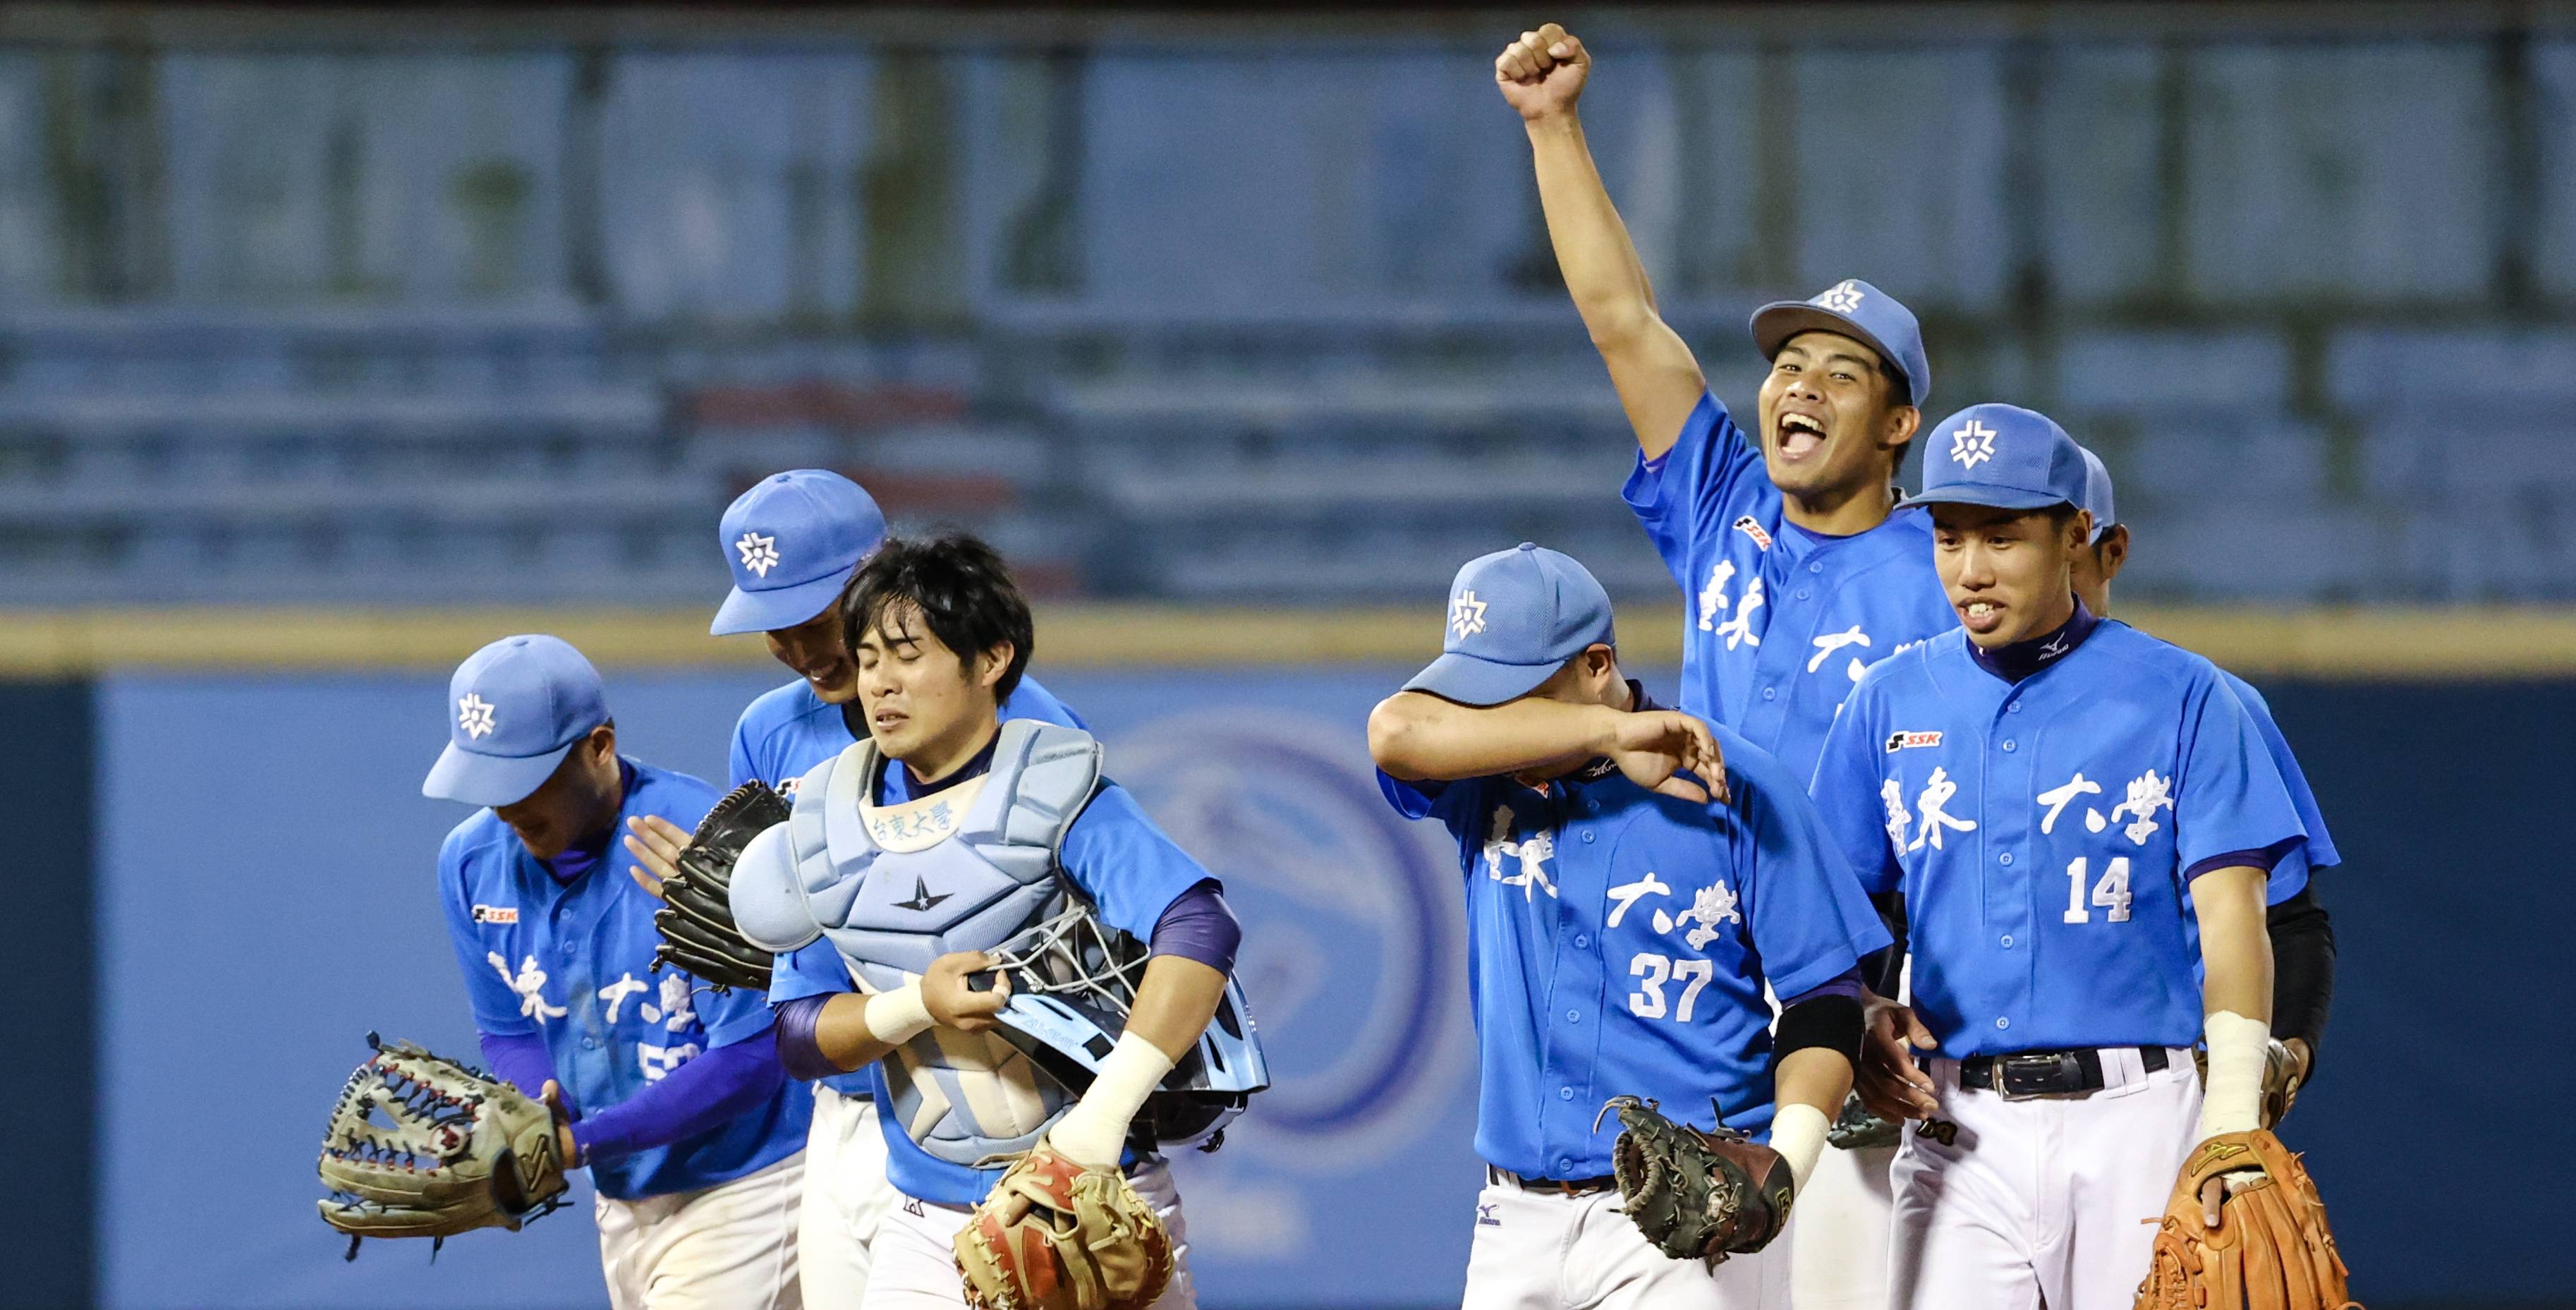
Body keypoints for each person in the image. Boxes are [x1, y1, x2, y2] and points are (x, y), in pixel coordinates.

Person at [1495, 24, 1962, 1304]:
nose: (1795, 385)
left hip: (1881, 973)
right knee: (1723, 1265)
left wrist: (1894, 977)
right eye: (1785, 364)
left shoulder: (1948, 558)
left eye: (1839, 371)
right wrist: (1551, 128)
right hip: (1723, 949)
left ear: (1900, 422)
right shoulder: (1723, 502)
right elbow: (1619, 319)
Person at [1806, 406, 2308, 1310]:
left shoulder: (2185, 694)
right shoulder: (1886, 701)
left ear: (2076, 534)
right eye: (1949, 538)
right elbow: (1839, 919)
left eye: (2001, 537)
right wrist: (1865, 1008)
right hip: (1958, 1126)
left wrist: (2230, 1119)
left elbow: (2236, 914)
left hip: (2138, 1118)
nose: (1970, 569)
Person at [1366, 541, 1890, 1309]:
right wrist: (1603, 735)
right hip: (1513, 1219)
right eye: (1475, 695)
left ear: (1597, 665)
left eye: (1515, 693)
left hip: (1688, 1221)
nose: (1490, 717)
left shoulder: (1736, 782)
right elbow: (1396, 732)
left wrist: (1784, 1167)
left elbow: (1824, 998)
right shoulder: (1481, 781)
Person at [730, 532, 1245, 1310]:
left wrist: (1097, 1128)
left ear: (991, 659)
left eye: (908, 656)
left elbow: (1200, 929)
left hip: (1087, 1198)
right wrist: (915, 1006)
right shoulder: (822, 820)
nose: (881, 684)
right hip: (925, 1218)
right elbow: (800, 1035)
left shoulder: (1057, 789)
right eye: (868, 659)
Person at [619, 469, 1084, 1309]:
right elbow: (788, 961)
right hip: (838, 1110)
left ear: (885, 577)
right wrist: (744, 920)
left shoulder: (1017, 715)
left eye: (813, 617)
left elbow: (1065, 928)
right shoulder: (767, 731)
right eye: (774, 628)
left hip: (985, 1098)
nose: (800, 650)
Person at [425, 634, 813, 1309]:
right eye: (485, 779)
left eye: (523, 775)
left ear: (599, 746)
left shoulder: (699, 835)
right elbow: (510, 1029)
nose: (503, 805)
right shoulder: (469, 863)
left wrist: (583, 1140)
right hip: (623, 1195)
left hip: (752, 1180)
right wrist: (538, 1111)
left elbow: (756, 1054)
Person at [2062, 446, 2338, 1118]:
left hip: (2166, 1090)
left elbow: (2291, 921)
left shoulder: (2210, 702)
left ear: (2110, 550)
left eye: (2063, 549)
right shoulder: (1942, 715)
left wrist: (2283, 1056)